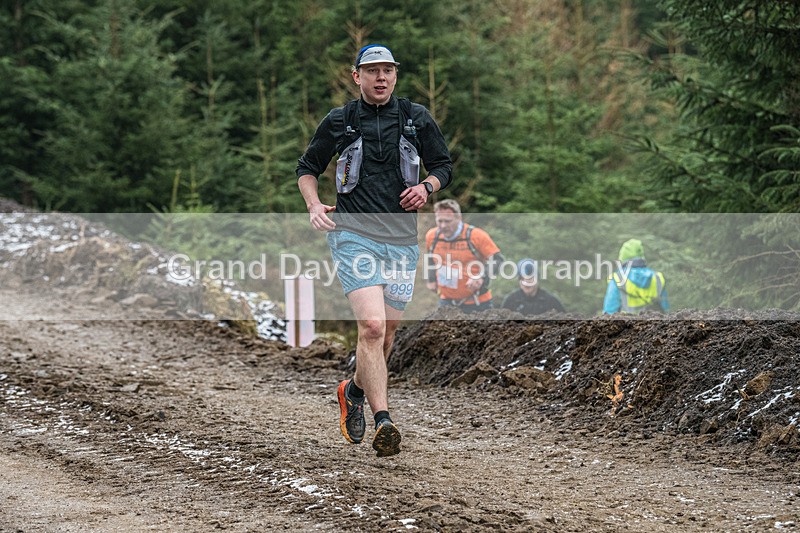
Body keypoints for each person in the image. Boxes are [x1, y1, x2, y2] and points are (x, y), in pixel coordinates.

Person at [296, 44, 452, 457]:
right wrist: (314, 204)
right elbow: (306, 169)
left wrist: (427, 187)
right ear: (357, 77)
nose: (381, 78)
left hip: (401, 241)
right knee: (372, 328)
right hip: (353, 236)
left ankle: (352, 389)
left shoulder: (416, 119)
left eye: (388, 70)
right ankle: (384, 419)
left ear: (396, 76)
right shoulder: (340, 121)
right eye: (372, 71)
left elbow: (444, 166)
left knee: (386, 337)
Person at [425, 199, 504, 313]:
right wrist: (431, 279)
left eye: (447, 221)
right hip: (446, 301)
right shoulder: (432, 236)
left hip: (477, 302)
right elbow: (431, 257)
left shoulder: (476, 236)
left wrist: (481, 276)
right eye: (439, 221)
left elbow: (498, 260)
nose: (443, 226)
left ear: (458, 218)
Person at [603, 238, 669, 314]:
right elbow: (665, 310)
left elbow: (609, 312)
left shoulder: (617, 278)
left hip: (626, 324)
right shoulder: (658, 278)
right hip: (654, 324)